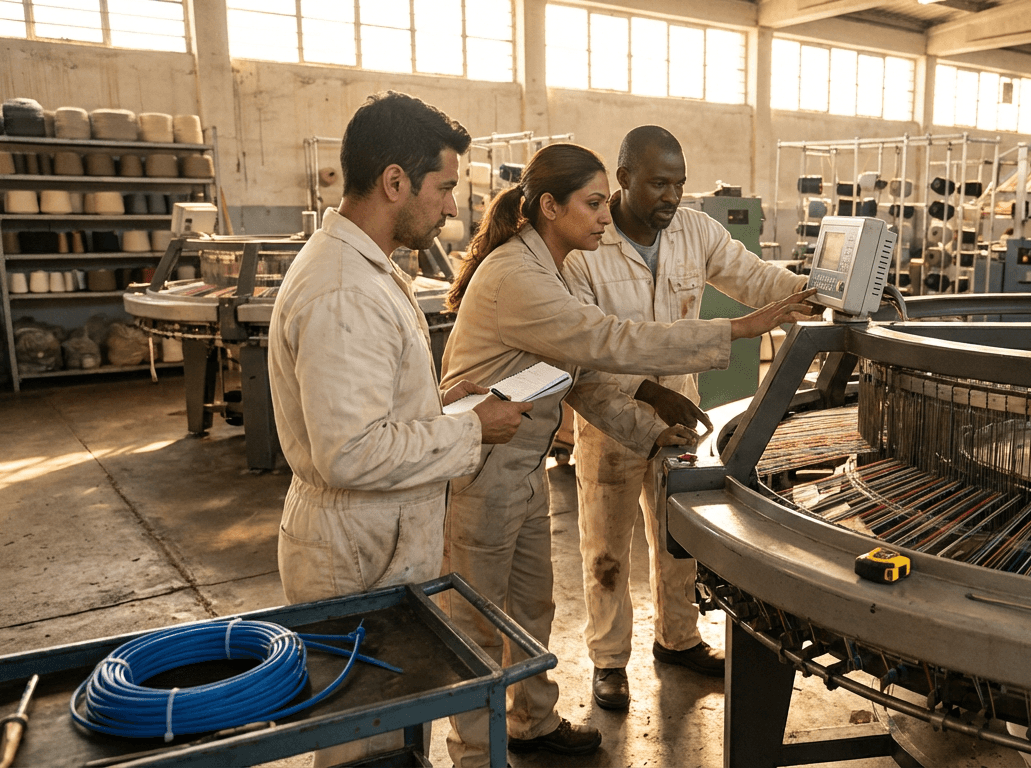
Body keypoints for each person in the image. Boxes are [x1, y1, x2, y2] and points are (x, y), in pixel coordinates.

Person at [440, 142, 814, 767]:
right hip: (485, 464)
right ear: (553, 205)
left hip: (525, 460)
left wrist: (648, 427)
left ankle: (533, 721)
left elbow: (581, 370)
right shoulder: (522, 275)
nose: (604, 217)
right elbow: (605, 341)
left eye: (679, 183)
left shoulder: (560, 259)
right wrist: (743, 328)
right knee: (484, 617)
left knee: (533, 603)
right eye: (593, 205)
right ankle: (477, 755)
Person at [267, 91, 530, 766]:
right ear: (394, 182)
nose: (449, 206)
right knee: (365, 747)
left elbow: (366, 415)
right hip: (354, 549)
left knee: (388, 734)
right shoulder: (344, 290)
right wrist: (473, 432)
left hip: (374, 539)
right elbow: (352, 451)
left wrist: (444, 406)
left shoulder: (361, 267)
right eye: (442, 187)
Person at [561, 125, 810, 710]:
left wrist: (823, 293)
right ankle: (608, 659)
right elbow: (583, 350)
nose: (670, 197)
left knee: (679, 541)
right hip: (612, 422)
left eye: (678, 184)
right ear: (621, 180)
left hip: (683, 416)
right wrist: (645, 392)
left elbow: (756, 279)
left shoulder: (696, 231)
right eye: (657, 183)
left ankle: (677, 639)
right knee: (606, 551)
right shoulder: (585, 250)